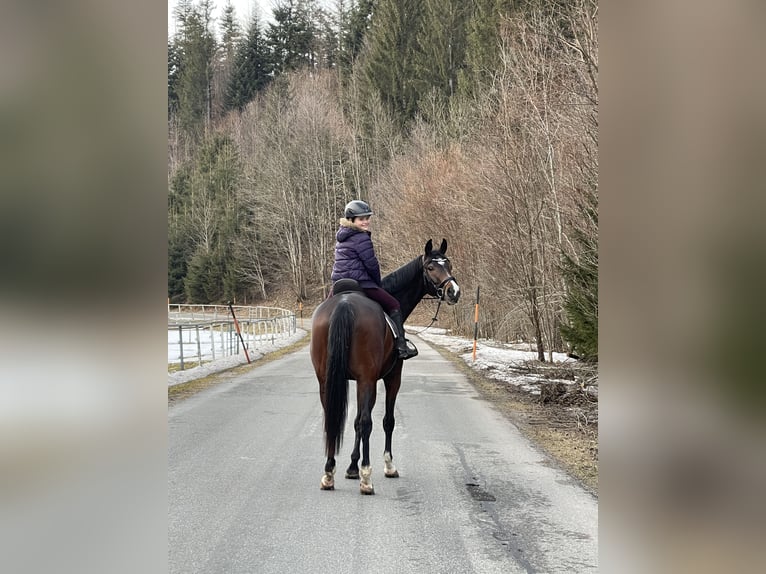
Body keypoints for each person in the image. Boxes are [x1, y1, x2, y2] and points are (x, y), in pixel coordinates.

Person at [331, 199, 417, 360]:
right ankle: (401, 345)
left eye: (367, 217)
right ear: (351, 220)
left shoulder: (341, 237)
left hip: (338, 284)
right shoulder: (362, 238)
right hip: (361, 283)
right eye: (361, 219)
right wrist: (378, 284)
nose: (365, 221)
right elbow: (371, 264)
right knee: (394, 304)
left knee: (325, 309)